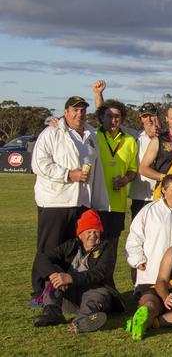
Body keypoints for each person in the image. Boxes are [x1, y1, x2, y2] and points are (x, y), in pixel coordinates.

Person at [30, 96, 109, 307]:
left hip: (80, 202)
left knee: (70, 251)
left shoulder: (90, 134)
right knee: (48, 250)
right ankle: (39, 293)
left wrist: (97, 202)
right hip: (55, 202)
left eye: (82, 110)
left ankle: (62, 293)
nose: (79, 114)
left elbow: (96, 170)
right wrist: (67, 174)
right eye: (74, 110)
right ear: (65, 112)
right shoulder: (52, 132)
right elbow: (39, 164)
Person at [33, 209, 123, 333]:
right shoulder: (71, 245)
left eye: (96, 231)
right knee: (54, 277)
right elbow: (42, 259)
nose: (93, 235)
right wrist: (54, 274)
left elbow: (100, 273)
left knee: (99, 293)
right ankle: (52, 312)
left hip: (94, 292)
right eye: (89, 231)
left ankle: (82, 320)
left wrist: (71, 278)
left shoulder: (106, 248)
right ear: (80, 234)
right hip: (69, 296)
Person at [125, 175, 172, 298]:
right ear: (164, 190)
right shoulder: (149, 210)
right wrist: (137, 260)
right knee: (151, 303)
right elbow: (135, 237)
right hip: (151, 273)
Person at [95, 100, 138, 254]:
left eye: (117, 116)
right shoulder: (93, 136)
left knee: (111, 248)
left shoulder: (130, 141)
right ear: (101, 117)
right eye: (109, 116)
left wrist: (125, 180)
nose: (113, 120)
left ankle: (108, 279)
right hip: (96, 202)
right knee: (94, 247)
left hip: (118, 204)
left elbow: (133, 170)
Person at [129, 103, 162, 217]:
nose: (148, 119)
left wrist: (157, 133)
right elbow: (109, 121)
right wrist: (98, 94)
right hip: (140, 196)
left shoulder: (166, 138)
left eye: (151, 115)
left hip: (161, 195)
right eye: (145, 116)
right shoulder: (134, 136)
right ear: (141, 119)